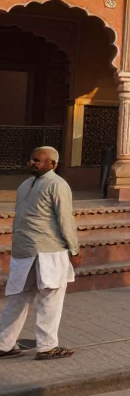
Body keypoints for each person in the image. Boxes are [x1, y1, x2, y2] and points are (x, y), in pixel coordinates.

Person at [0, 147, 81, 360]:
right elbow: (65, 221)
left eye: (38, 160)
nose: (32, 163)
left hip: (28, 251)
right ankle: (46, 347)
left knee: (21, 298)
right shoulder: (52, 184)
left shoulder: (36, 184)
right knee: (49, 298)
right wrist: (74, 249)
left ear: (52, 164)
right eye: (32, 159)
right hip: (47, 251)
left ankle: (4, 344)